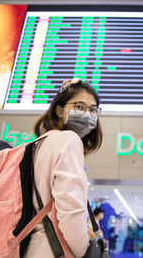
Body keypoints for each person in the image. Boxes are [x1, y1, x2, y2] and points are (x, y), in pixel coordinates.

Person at [24, 78, 103, 258]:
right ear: (60, 110)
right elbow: (71, 213)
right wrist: (84, 250)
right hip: (51, 249)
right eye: (79, 107)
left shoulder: (39, 143)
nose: (87, 114)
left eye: (92, 110)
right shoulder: (69, 140)